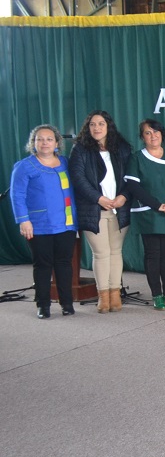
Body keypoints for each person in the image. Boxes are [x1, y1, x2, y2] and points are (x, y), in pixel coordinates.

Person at [10, 125, 78, 319]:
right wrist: (23, 221)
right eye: (40, 139)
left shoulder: (66, 163)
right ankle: (43, 305)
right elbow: (17, 196)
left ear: (57, 143)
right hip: (38, 225)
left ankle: (67, 304)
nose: (45, 143)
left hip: (66, 223)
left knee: (64, 264)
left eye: (49, 139)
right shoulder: (24, 166)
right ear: (33, 143)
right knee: (43, 265)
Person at [68, 111, 132, 313]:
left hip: (119, 208)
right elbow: (78, 179)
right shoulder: (80, 150)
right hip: (93, 209)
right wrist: (99, 198)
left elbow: (132, 177)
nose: (96, 128)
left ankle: (115, 294)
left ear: (108, 126)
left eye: (101, 124)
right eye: (92, 124)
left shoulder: (122, 148)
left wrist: (123, 197)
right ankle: (103, 295)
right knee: (101, 253)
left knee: (115, 252)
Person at [124, 119, 165, 311]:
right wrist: (157, 205)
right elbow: (134, 186)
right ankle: (156, 295)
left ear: (162, 134)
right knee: (153, 256)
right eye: (148, 133)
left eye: (156, 132)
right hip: (149, 214)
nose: (153, 136)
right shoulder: (137, 158)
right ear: (142, 137)